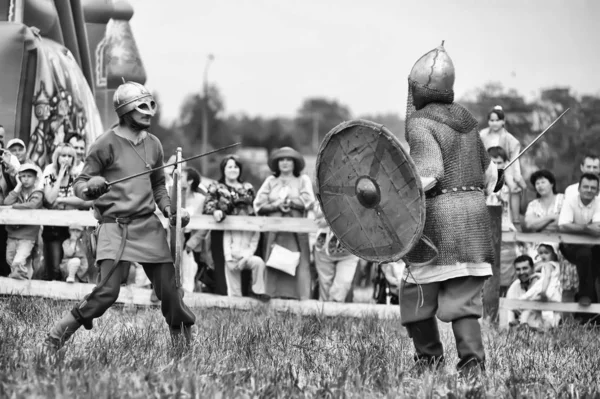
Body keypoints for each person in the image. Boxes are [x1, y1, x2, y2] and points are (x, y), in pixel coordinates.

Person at [43, 81, 195, 352]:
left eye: (151, 106)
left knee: (170, 292)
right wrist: (92, 188)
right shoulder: (105, 143)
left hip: (148, 225)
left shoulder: (155, 144)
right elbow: (81, 183)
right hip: (114, 226)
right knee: (106, 293)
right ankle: (57, 334)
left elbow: (159, 185)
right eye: (142, 108)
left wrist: (170, 209)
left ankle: (182, 348)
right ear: (126, 111)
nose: (149, 113)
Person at [401, 43, 498, 375]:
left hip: (439, 219)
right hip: (474, 217)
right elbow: (490, 175)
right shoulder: (467, 119)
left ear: (416, 89)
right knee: (464, 299)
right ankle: (473, 366)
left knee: (415, 290)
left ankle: (428, 360)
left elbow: (428, 176)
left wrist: (399, 194)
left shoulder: (419, 123)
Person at [254, 147, 314, 300]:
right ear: (277, 163)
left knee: (301, 262)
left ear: (295, 163)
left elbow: (309, 201)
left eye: (289, 160)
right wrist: (276, 205)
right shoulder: (270, 181)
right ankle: (272, 295)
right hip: (274, 232)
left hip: (297, 232)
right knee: (273, 261)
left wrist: (291, 203)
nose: (285, 163)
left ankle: (301, 297)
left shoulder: (303, 180)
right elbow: (258, 204)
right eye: (281, 160)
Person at [203, 155, 266, 297]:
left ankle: (247, 295)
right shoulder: (216, 186)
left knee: (246, 265)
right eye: (229, 166)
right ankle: (223, 297)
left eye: (236, 166)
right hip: (221, 231)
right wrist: (216, 211)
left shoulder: (248, 187)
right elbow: (207, 205)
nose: (233, 169)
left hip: (246, 233)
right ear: (223, 169)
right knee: (223, 266)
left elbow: (255, 207)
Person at [523, 169, 578, 302]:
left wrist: (541, 223)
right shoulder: (533, 204)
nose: (540, 186)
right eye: (537, 183)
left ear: (552, 183)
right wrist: (552, 217)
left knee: (564, 283)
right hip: (539, 248)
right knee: (536, 277)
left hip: (562, 246)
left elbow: (565, 222)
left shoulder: (563, 199)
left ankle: (562, 317)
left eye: (543, 182)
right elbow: (530, 224)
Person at [42, 143, 92, 281]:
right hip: (53, 228)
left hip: (72, 227)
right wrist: (59, 177)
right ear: (57, 157)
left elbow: (84, 200)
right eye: (63, 155)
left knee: (72, 263)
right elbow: (50, 199)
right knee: (55, 267)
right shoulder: (49, 175)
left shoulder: (77, 177)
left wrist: (62, 200)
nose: (66, 159)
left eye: (70, 156)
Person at [557, 173, 600, 307]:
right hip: (570, 245)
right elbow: (563, 226)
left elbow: (598, 228)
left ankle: (590, 315)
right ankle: (584, 295)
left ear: (597, 190)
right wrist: (587, 228)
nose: (589, 190)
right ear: (579, 188)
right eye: (585, 187)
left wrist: (576, 227)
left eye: (593, 188)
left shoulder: (599, 202)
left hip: (593, 245)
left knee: (594, 265)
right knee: (584, 254)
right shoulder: (570, 201)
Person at [479, 105, 527, 225]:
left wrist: (517, 176)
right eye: (492, 120)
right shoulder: (482, 135)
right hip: (486, 167)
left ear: (503, 121)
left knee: (514, 186)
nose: (494, 123)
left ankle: (515, 218)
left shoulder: (511, 140)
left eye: (497, 120)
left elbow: (514, 160)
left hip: (505, 167)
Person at [3, 164, 44, 279]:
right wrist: (18, 186)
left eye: (29, 176)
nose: (26, 179)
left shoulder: (38, 193)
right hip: (12, 234)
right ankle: (21, 284)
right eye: (23, 176)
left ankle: (20, 282)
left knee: (18, 261)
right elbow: (6, 203)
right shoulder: (17, 192)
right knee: (10, 259)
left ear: (35, 178)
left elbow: (33, 205)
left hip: (27, 236)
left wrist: (15, 206)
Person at [486, 146, 518, 296]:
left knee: (506, 278)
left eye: (500, 163)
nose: (497, 166)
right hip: (486, 234)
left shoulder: (509, 185)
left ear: (505, 164)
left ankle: (504, 314)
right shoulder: (481, 183)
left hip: (506, 233)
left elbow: (515, 213)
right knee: (487, 276)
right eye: (493, 162)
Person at [313, 202, 359, 302]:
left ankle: (333, 310)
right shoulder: (325, 193)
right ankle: (323, 313)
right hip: (324, 247)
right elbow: (317, 215)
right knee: (325, 285)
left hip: (350, 249)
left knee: (343, 283)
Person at [518, 243, 563, 329]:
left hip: (547, 288)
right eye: (541, 253)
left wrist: (543, 290)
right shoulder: (556, 264)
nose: (543, 255)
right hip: (556, 290)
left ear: (554, 253)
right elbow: (550, 276)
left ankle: (524, 323)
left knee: (534, 304)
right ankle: (551, 326)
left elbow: (547, 277)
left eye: (546, 253)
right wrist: (538, 276)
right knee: (552, 310)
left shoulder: (548, 265)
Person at [505, 255, 537, 326]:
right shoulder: (514, 286)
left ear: (533, 268)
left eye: (525, 268)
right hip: (522, 323)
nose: (521, 272)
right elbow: (509, 308)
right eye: (518, 269)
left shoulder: (541, 282)